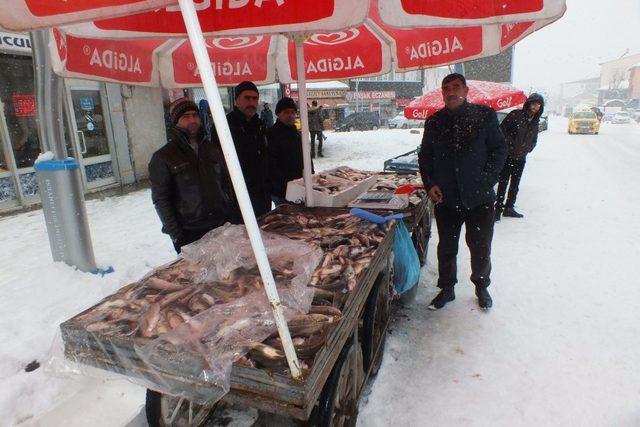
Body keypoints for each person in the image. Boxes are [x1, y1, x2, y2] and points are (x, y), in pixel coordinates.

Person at [418, 73, 507, 310]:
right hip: (446, 198)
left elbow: (499, 150)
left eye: (456, 87)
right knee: (446, 248)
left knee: (480, 247)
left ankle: (481, 286)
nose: (451, 91)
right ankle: (446, 289)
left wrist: (487, 180)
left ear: (466, 91)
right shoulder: (434, 121)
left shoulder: (484, 116)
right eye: (446, 88)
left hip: (479, 199)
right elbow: (425, 156)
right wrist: (430, 184)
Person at [148, 98, 232, 253]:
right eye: (185, 116)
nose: (192, 119)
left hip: (220, 225)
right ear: (176, 121)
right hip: (189, 232)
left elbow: (225, 183)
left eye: (195, 115)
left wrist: (229, 213)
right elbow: (161, 198)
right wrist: (176, 234)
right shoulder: (163, 156)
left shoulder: (212, 149)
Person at [212, 80, 271, 221]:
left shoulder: (260, 124)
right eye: (247, 98)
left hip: (262, 195)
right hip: (238, 197)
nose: (251, 102)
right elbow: (217, 163)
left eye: (255, 98)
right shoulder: (224, 126)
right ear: (236, 100)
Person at [495, 93, 545, 221]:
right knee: (503, 182)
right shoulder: (515, 115)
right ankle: (498, 209)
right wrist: (509, 145)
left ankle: (509, 208)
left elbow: (534, 139)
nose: (535, 106)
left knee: (515, 184)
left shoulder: (535, 121)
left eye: (538, 104)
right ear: (528, 103)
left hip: (521, 158)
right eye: (534, 103)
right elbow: (501, 130)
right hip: (508, 156)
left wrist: (529, 148)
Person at [267, 97, 313, 206]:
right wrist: (285, 186)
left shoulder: (297, 133)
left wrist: (311, 174)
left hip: (301, 187)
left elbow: (306, 157)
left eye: (293, 112)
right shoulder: (271, 134)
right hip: (282, 192)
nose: (290, 115)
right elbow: (271, 165)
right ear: (278, 114)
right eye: (286, 112)